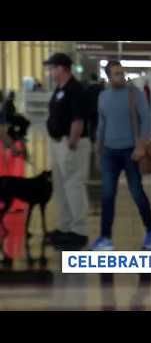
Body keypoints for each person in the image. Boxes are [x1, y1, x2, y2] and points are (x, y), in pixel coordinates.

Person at [90, 60, 151, 251]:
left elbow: (146, 119)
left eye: (122, 72)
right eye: (117, 73)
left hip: (131, 152)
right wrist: (98, 150)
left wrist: (141, 145)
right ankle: (105, 237)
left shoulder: (134, 94)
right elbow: (101, 125)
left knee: (137, 192)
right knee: (107, 195)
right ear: (109, 77)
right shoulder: (103, 97)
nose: (122, 76)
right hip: (109, 153)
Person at [44, 53, 91, 244]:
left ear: (62, 68)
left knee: (73, 186)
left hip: (71, 143)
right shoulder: (59, 89)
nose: (50, 71)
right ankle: (65, 227)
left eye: (52, 67)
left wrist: (72, 142)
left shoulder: (75, 89)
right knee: (61, 187)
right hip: (58, 142)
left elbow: (78, 119)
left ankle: (79, 232)